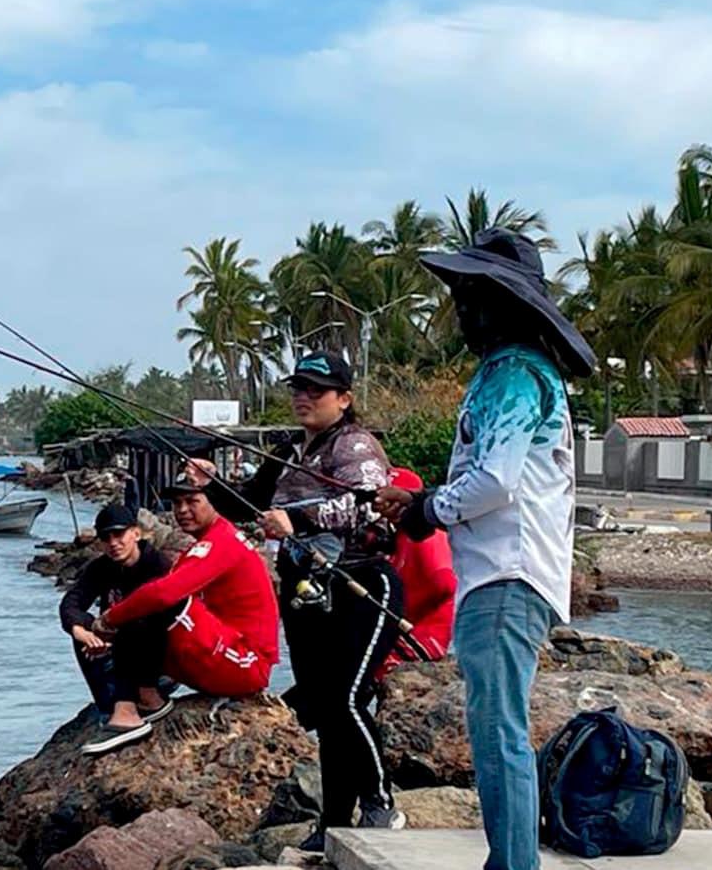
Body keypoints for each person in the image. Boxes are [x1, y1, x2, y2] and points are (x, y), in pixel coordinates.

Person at [375, 228, 597, 870]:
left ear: (505, 303)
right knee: (498, 730)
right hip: (508, 575)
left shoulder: (513, 376)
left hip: (506, 576)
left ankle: (513, 864)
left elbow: (496, 481)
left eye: (472, 296)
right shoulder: (521, 372)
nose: (462, 310)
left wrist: (428, 509)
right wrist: (427, 504)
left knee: (499, 734)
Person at [188, 350, 404, 852]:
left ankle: (380, 802)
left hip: (362, 584)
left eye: (316, 390)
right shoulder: (288, 450)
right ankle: (333, 821)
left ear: (344, 399)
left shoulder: (355, 445)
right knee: (324, 707)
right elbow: (247, 503)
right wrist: (208, 483)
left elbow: (368, 504)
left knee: (346, 698)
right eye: (298, 388)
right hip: (308, 592)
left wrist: (298, 521)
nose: (303, 397)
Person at [93, 471, 279, 713]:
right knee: (133, 612)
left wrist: (109, 619)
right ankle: (121, 701)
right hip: (225, 649)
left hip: (247, 663)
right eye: (176, 503)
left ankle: (145, 700)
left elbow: (164, 594)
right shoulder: (204, 545)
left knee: (165, 601)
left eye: (192, 501)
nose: (182, 510)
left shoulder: (221, 542)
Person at [59, 503, 175, 755]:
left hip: (155, 654)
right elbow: (71, 602)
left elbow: (159, 616)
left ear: (136, 533)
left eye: (119, 535)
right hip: (118, 647)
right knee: (83, 628)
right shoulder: (101, 567)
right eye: (106, 538)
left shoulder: (157, 564)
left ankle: (137, 706)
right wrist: (81, 632)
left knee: (137, 621)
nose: (113, 543)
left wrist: (112, 636)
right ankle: (108, 708)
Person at [372, 467, 456, 683]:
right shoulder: (398, 537)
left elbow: (445, 583)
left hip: (429, 633)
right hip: (410, 629)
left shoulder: (426, 537)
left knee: (368, 666)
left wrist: (401, 612)